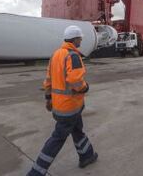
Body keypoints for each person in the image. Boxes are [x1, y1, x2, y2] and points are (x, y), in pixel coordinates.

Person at [27, 25, 98, 176]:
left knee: (77, 130)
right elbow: (75, 81)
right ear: (75, 39)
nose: (81, 41)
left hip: (60, 106)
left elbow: (48, 80)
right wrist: (85, 88)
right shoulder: (73, 55)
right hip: (70, 107)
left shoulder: (56, 54)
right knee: (57, 139)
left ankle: (87, 155)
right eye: (80, 38)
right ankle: (36, 172)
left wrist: (48, 98)